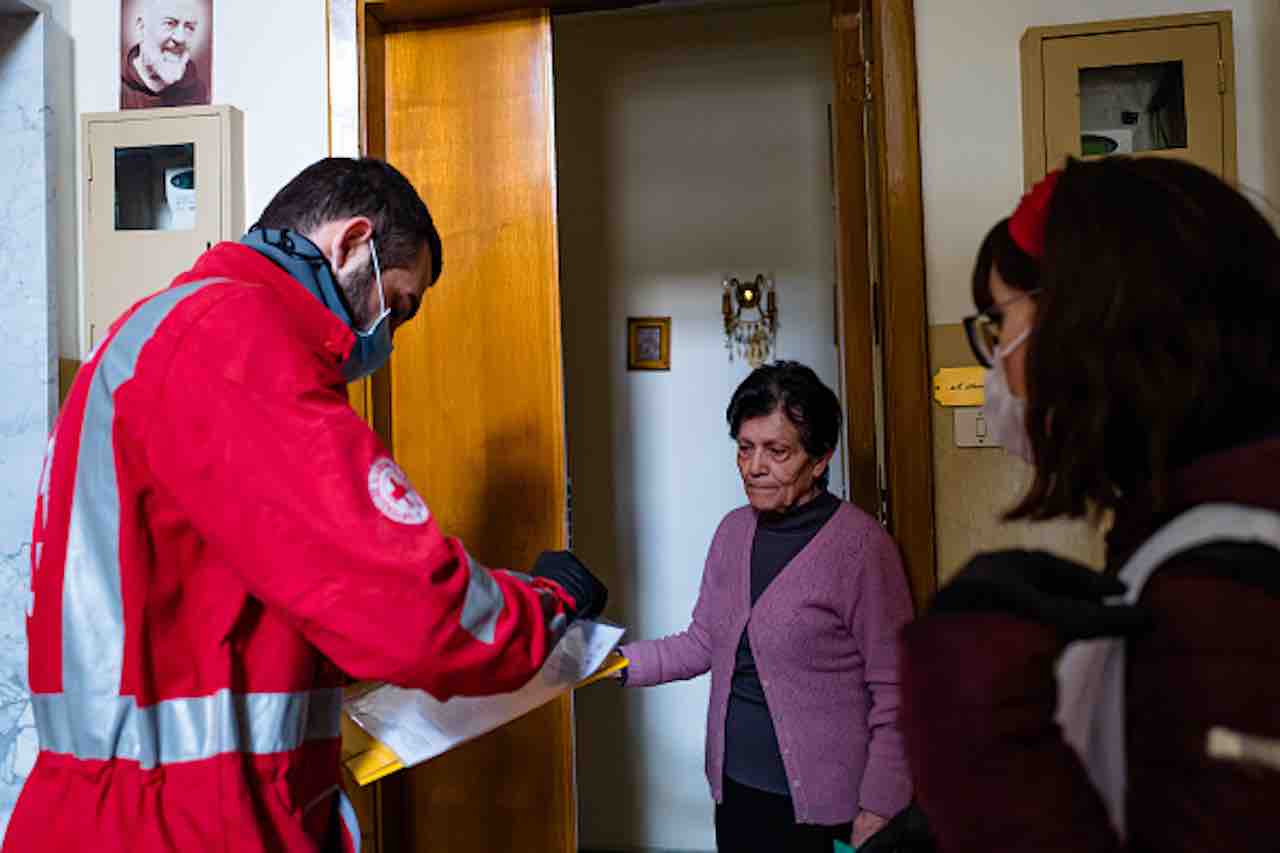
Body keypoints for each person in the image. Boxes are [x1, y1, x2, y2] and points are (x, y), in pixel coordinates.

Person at [3, 157, 607, 852]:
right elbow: (417, 609)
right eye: (397, 305)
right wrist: (547, 604)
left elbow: (219, 606)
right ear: (352, 243)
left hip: (132, 808)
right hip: (180, 822)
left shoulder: (157, 331)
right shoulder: (236, 341)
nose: (389, 337)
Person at [900, 156, 1280, 852]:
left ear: (1086, 327)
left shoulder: (1230, 592)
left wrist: (975, 724)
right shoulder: (1194, 535)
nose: (998, 367)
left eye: (999, 323)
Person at [617, 361, 914, 853]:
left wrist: (880, 807)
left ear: (819, 460)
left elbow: (898, 688)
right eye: (745, 448)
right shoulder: (733, 532)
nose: (755, 466)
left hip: (828, 811)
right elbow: (702, 643)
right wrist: (607, 661)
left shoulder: (862, 548)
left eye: (777, 451)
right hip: (736, 792)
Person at [121, 0, 209, 109]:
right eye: (170, 23)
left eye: (189, 27)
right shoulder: (115, 85)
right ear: (141, 27)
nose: (180, 38)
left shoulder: (197, 91)